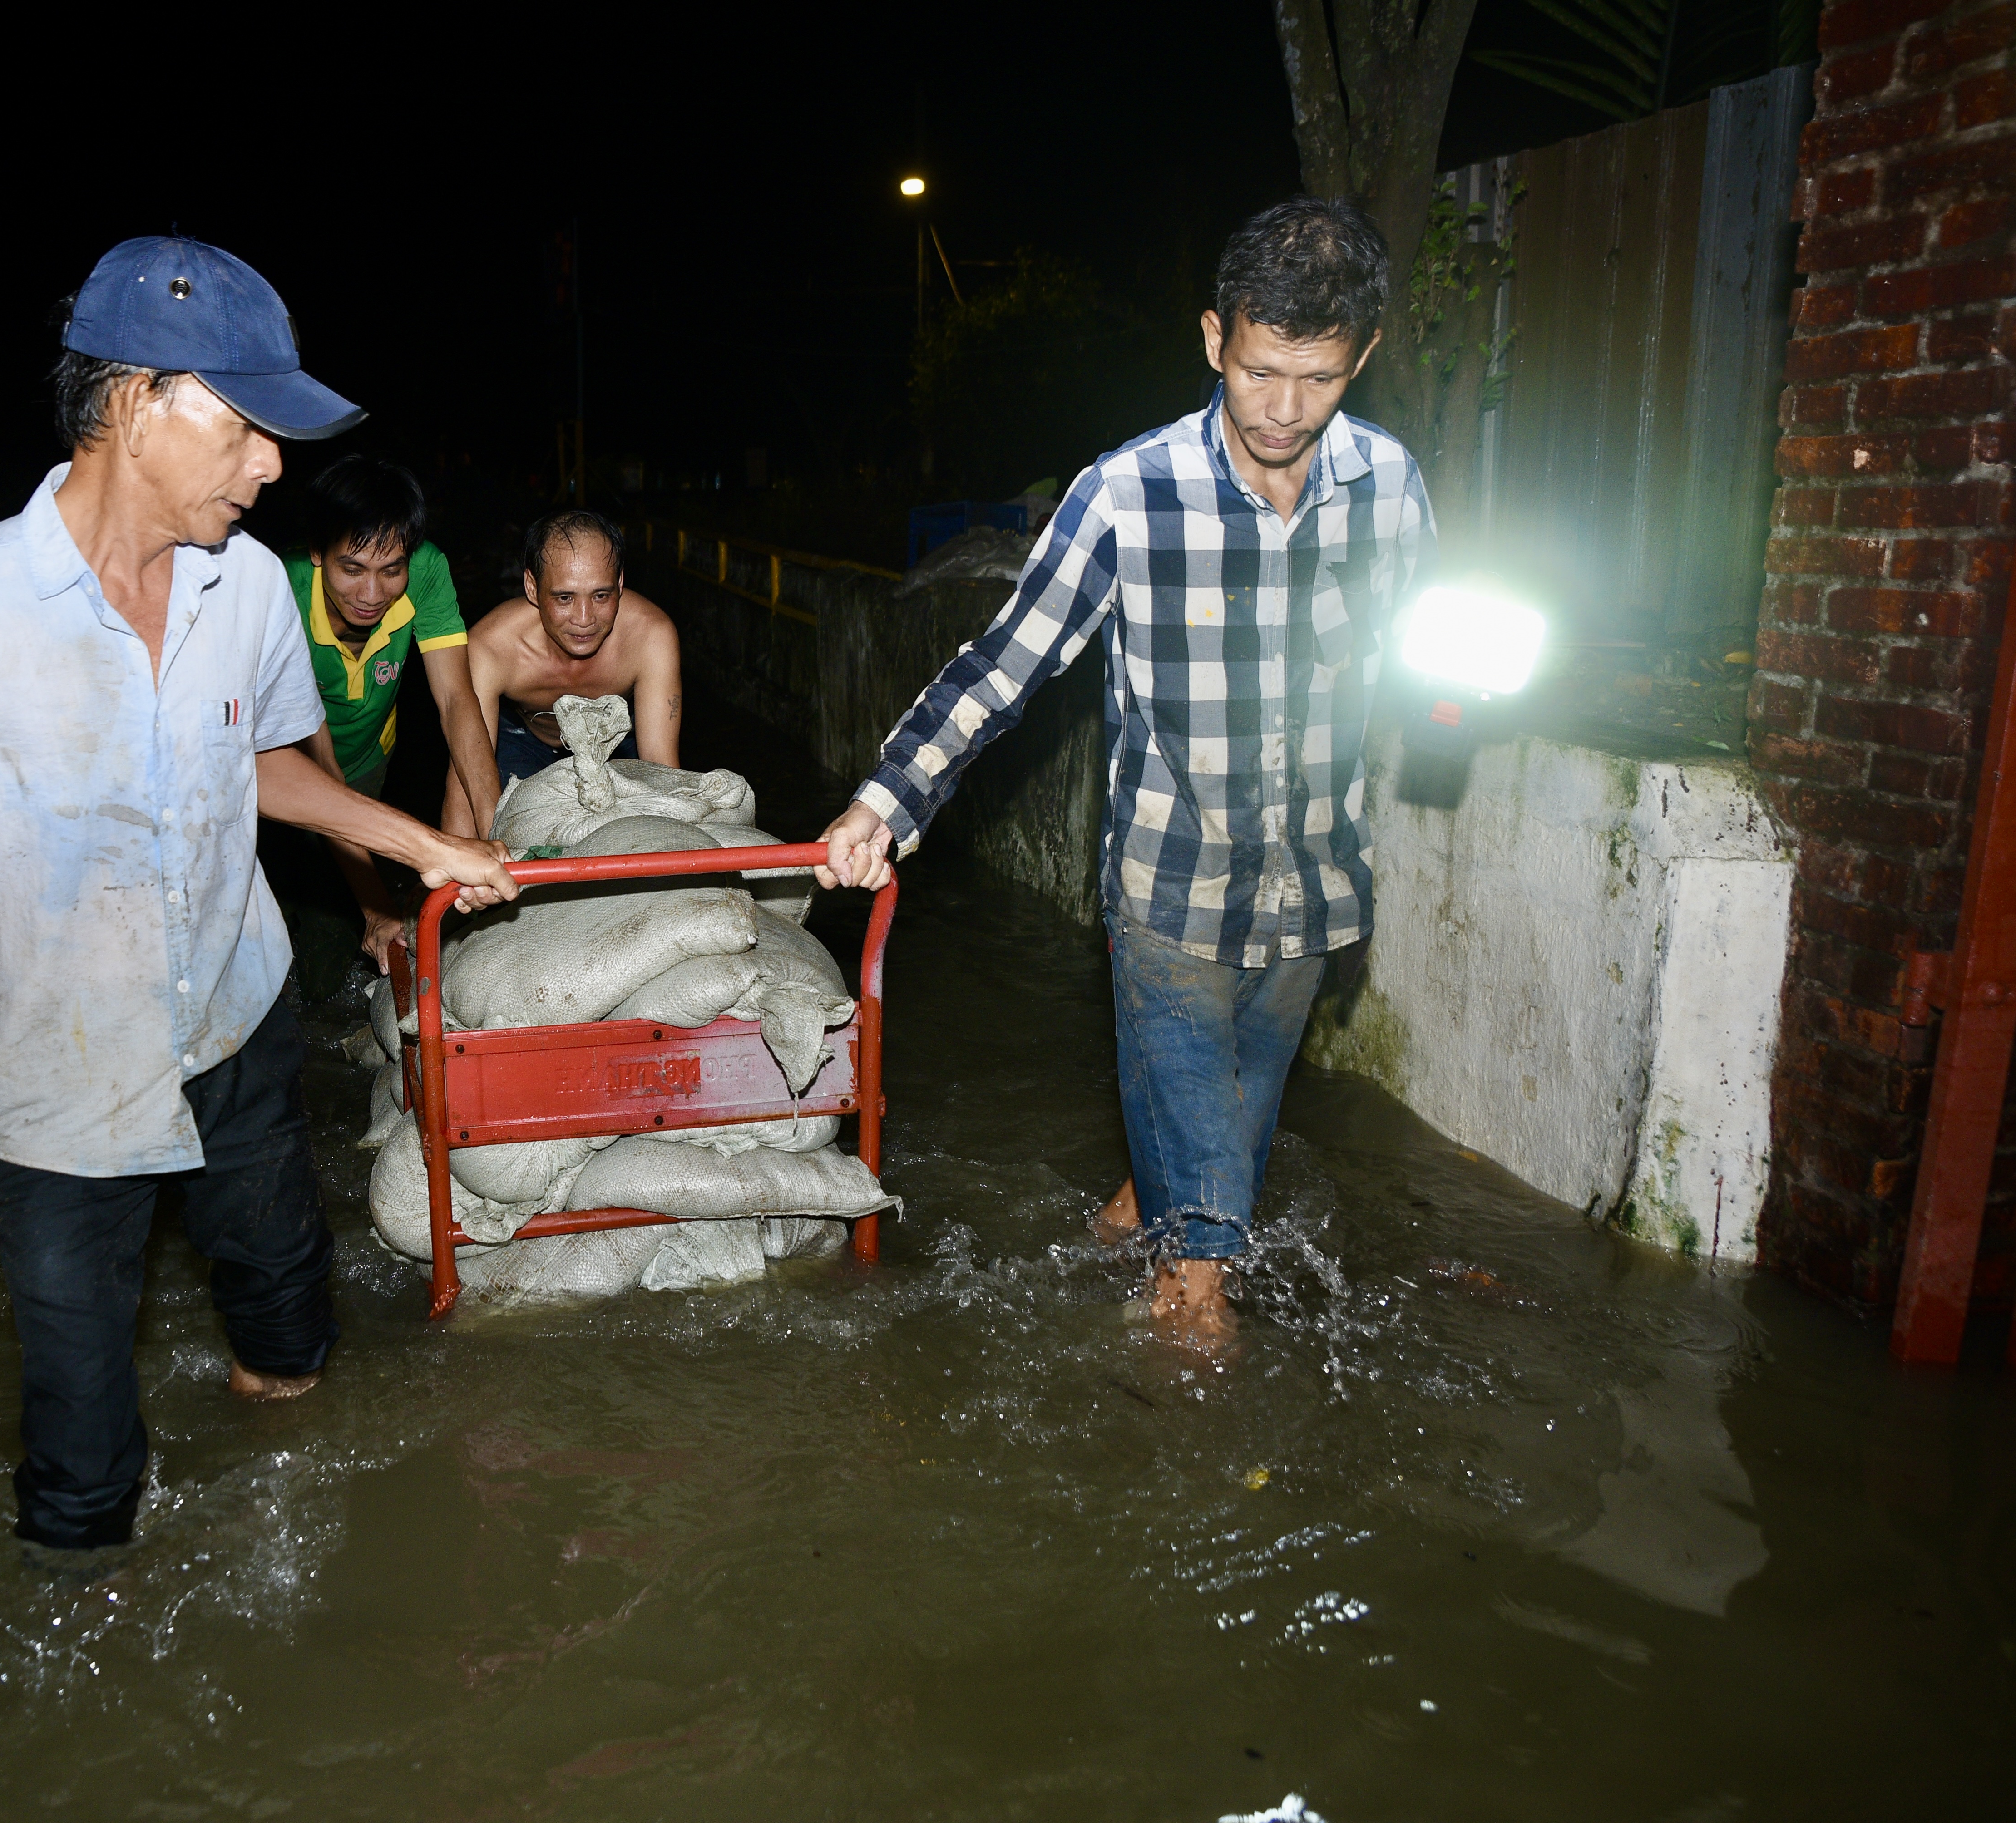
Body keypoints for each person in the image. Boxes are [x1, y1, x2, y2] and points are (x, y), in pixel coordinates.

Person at [0, 236, 516, 1552]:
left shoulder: (246, 587)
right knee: (80, 1466)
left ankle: (297, 1560)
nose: (270, 468)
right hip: (53, 1086)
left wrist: (424, 846)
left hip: (235, 1028)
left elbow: (264, 769)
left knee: (289, 1327)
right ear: (136, 403)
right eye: (248, 427)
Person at [814, 198, 1434, 1352]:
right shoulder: (1126, 492)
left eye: (1318, 378)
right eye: (1259, 373)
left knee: (1241, 1112)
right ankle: (1187, 1344)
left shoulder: (1390, 486)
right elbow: (1004, 662)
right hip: (1170, 880)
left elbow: (1418, 648)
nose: (1285, 411)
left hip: (1313, 882)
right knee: (1207, 1254)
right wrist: (884, 800)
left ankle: (1149, 1197)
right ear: (1212, 339)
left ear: (1363, 357)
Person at [278, 454, 503, 970]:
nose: (372, 594)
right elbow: (318, 766)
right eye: (351, 569)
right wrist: (375, 905)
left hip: (367, 762)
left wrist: (494, 835)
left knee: (325, 958)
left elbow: (455, 700)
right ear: (317, 551)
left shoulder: (427, 571)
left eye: (391, 569)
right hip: (281, 763)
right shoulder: (279, 588)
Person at [441, 509, 683, 834]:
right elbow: (464, 779)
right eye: (565, 598)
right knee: (504, 832)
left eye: (601, 595)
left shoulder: (651, 635)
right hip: (521, 741)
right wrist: (460, 874)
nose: (584, 619)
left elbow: (661, 766)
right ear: (531, 586)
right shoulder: (491, 647)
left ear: (620, 583)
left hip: (614, 741)